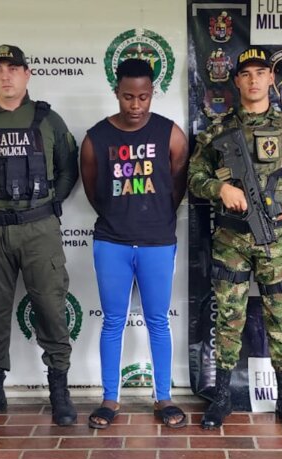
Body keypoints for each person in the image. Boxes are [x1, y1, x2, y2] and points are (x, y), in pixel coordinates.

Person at [188, 47, 282, 432]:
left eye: (261, 72)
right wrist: (220, 188)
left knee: (281, 317)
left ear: (271, 79)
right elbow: (194, 177)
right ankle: (222, 396)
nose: (254, 80)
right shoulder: (217, 130)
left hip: (274, 239)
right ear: (236, 81)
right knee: (229, 317)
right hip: (231, 239)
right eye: (246, 74)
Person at [0, 44, 79, 426]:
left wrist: (49, 205)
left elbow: (68, 168)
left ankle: (59, 391)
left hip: (39, 229)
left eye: (13, 68)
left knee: (51, 309)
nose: (5, 76)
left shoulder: (48, 119)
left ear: (27, 74)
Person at [79, 59, 190, 429]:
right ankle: (110, 399)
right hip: (112, 241)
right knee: (113, 321)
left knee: (158, 321)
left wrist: (156, 217)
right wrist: (120, 215)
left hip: (158, 241)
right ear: (116, 92)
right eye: (128, 97)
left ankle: (164, 398)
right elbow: (93, 189)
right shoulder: (96, 138)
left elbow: (178, 183)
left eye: (143, 97)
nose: (136, 105)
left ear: (152, 93)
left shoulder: (170, 134)